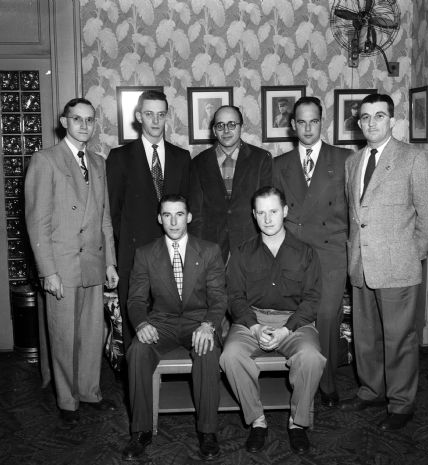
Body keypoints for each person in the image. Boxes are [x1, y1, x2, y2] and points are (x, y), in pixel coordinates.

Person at [342, 93, 428, 431]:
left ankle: (401, 405)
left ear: (392, 120)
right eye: (366, 117)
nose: (371, 123)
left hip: (398, 266)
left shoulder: (414, 158)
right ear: (359, 123)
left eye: (379, 116)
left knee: (399, 338)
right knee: (365, 337)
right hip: (360, 264)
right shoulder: (352, 162)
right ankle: (371, 390)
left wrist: (412, 254)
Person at [24, 97, 119, 425]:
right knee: (63, 334)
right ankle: (67, 401)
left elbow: (104, 216)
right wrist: (47, 270)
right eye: (76, 119)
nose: (83, 125)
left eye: (89, 120)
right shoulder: (45, 160)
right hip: (62, 266)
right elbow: (37, 223)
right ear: (64, 122)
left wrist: (110, 262)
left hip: (93, 262)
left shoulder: (98, 162)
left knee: (92, 333)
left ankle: (90, 392)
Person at [219, 186, 324, 455]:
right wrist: (254, 326)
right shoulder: (241, 252)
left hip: (294, 322)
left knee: (311, 357)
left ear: (285, 211)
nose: (268, 219)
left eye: (274, 211)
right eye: (261, 213)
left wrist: (287, 330)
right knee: (230, 356)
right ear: (254, 215)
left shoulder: (306, 252)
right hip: (251, 319)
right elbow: (234, 297)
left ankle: (297, 424)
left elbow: (312, 300)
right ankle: (257, 420)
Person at [122, 194, 227, 461]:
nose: (173, 221)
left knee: (207, 350)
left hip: (198, 321)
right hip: (162, 322)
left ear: (188, 217)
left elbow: (219, 298)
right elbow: (135, 299)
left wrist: (208, 325)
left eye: (179, 214)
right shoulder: (145, 254)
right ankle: (141, 431)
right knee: (137, 351)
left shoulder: (210, 250)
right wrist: (142, 323)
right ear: (159, 219)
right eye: (167, 215)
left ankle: (207, 432)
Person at [272, 96, 352, 408]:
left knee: (327, 317)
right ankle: (298, 378)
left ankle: (327, 382)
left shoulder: (345, 159)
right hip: (295, 253)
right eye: (301, 122)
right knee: (298, 315)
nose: (308, 128)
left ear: (323, 122)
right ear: (293, 125)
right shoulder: (279, 164)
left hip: (332, 252)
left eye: (314, 121)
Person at [106, 90, 190, 353]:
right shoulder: (119, 157)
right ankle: (140, 389)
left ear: (167, 117)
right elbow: (112, 212)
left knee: (171, 324)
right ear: (139, 115)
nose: (155, 121)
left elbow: (188, 209)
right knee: (137, 330)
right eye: (149, 114)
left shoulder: (181, 157)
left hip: (173, 254)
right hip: (134, 256)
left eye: (161, 114)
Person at [189, 105, 273, 262]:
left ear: (241, 127)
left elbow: (268, 209)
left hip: (251, 246)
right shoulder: (198, 163)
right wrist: (199, 251)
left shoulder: (261, 159)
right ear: (214, 130)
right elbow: (196, 214)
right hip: (211, 248)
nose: (226, 131)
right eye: (220, 126)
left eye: (232, 124)